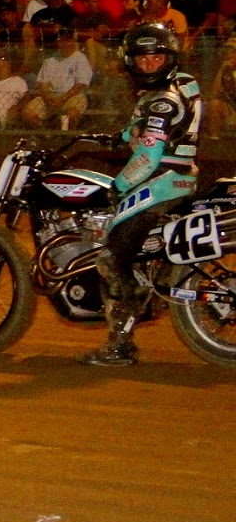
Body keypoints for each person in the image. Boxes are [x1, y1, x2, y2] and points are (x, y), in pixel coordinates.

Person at [80, 23, 203, 366]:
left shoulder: (164, 100)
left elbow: (148, 158)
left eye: (157, 58)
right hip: (180, 179)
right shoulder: (181, 85)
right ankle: (149, 284)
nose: (150, 65)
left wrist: (117, 187)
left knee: (109, 258)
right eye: (143, 59)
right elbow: (145, 133)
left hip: (162, 181)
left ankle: (120, 345)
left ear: (170, 58)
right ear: (130, 62)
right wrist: (119, 137)